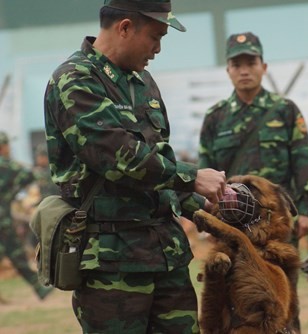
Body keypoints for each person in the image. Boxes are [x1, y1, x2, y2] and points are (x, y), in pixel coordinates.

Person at [43, 1, 226, 333]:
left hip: (166, 255)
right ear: (124, 27)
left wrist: (208, 210)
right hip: (112, 265)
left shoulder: (142, 82)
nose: (158, 49)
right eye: (155, 37)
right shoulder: (74, 81)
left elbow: (159, 163)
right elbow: (118, 159)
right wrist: (193, 177)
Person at [198, 31, 308, 332]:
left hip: (275, 229)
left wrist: (305, 210)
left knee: (285, 305)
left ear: (263, 67)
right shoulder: (216, 118)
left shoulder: (285, 110)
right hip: (232, 227)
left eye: (250, 62)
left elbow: (303, 160)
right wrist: (205, 217)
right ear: (228, 70)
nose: (244, 70)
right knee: (231, 301)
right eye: (236, 64)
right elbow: (204, 171)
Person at [0, 131, 54, 300]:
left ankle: (39, 288)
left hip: (4, 219)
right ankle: (38, 288)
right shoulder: (5, 164)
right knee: (16, 254)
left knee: (16, 254)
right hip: (2, 221)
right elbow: (29, 175)